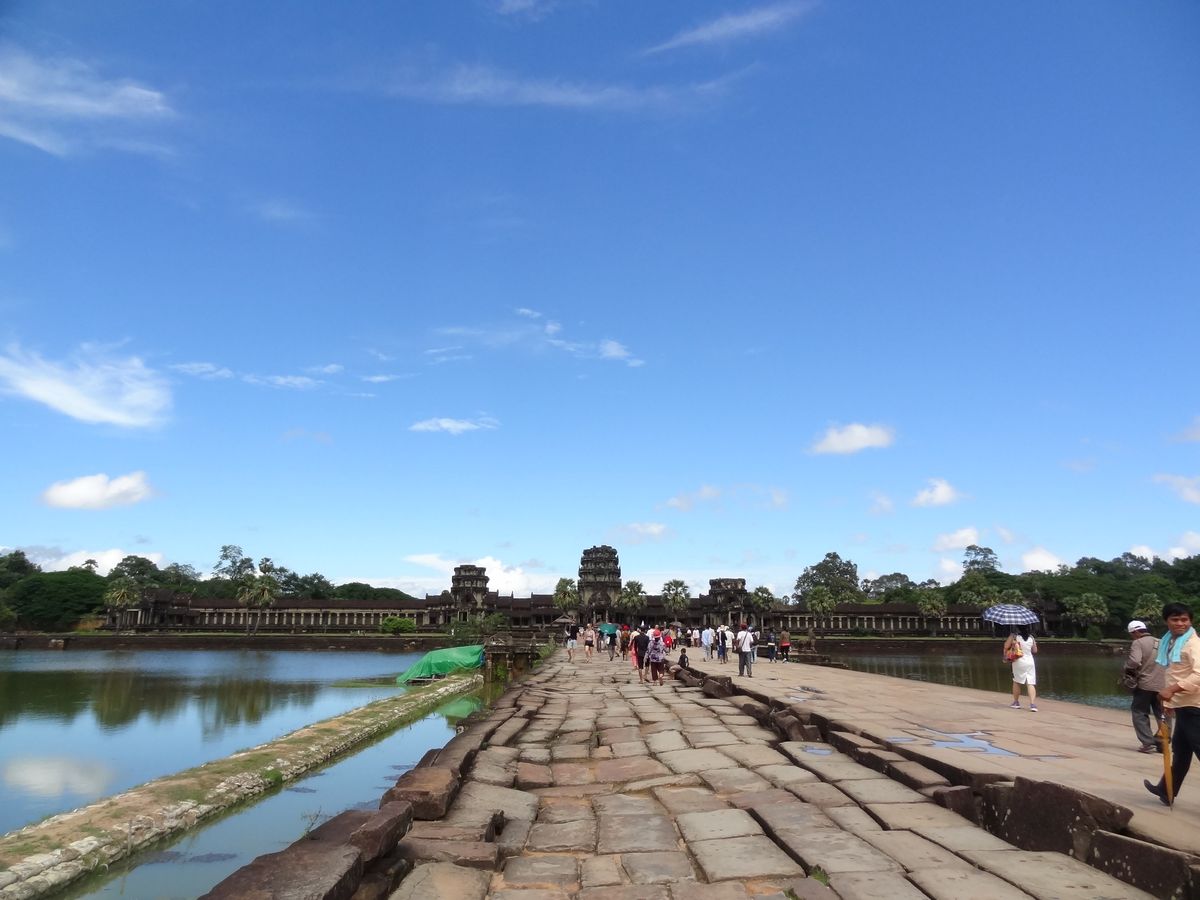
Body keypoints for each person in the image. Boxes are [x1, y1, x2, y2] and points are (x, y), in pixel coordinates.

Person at [1144, 603, 1200, 805]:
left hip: (1195, 707)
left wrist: (1171, 690)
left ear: (1190, 621)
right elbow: (1174, 673)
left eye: (1184, 620)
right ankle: (1166, 789)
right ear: (1166, 621)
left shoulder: (1193, 644)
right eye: (1175, 620)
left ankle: (1166, 789)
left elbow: (1198, 675)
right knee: (1181, 751)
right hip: (1183, 706)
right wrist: (1170, 702)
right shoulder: (1171, 642)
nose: (1180, 624)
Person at [1125, 620, 1166, 753]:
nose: (1132, 637)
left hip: (1145, 685)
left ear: (1136, 632)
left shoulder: (1138, 642)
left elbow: (1134, 661)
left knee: (1139, 712)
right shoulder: (1162, 642)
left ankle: (1147, 742)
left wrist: (1127, 668)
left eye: (1132, 634)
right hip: (1164, 685)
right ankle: (1163, 742)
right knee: (1162, 714)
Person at [1004, 625, 1038, 711]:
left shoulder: (1014, 636)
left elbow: (1006, 646)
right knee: (1030, 682)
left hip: (1018, 661)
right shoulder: (1031, 637)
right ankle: (1032, 704)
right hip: (1030, 661)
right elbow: (1035, 650)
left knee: (1016, 681)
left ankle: (1016, 702)